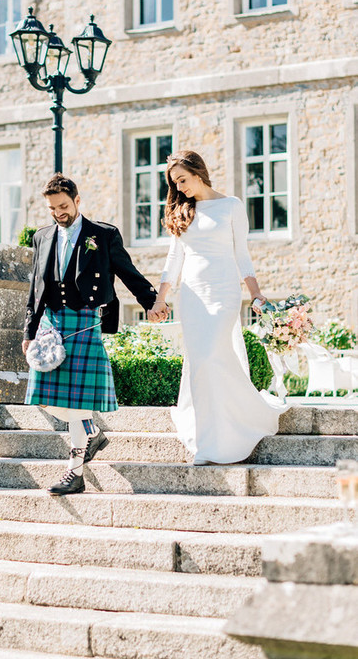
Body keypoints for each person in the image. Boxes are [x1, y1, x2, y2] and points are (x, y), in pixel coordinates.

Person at [22, 173, 162, 495]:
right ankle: (93, 433)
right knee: (44, 399)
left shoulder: (102, 234)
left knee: (76, 404)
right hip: (51, 325)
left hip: (84, 321)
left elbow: (128, 273)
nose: (58, 213)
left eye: (63, 206)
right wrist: (29, 330)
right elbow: (36, 288)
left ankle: (75, 473)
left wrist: (151, 302)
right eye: (52, 208)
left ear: (77, 200)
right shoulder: (42, 236)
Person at [149, 150, 288, 465]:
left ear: (198, 172)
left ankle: (243, 418)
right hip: (192, 295)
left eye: (182, 179)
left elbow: (242, 254)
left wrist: (255, 293)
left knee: (213, 353)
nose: (179, 187)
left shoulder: (231, 206)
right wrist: (161, 297)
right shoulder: (182, 210)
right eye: (174, 183)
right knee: (202, 362)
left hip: (224, 292)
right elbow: (175, 257)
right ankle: (206, 441)